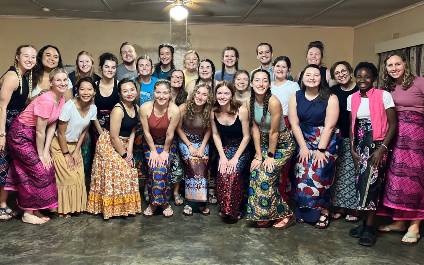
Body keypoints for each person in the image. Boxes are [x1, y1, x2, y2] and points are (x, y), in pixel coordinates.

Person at [5, 68, 67, 224]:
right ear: (51, 82)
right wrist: (41, 156)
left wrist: (46, 151)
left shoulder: (61, 99)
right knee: (38, 170)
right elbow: (40, 131)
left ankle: (35, 209)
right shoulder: (46, 99)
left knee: (47, 167)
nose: (62, 83)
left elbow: (52, 126)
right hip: (20, 135)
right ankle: (27, 213)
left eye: (65, 80)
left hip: (33, 135)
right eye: (58, 80)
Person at [347, 62, 396, 246]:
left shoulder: (384, 96)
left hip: (377, 145)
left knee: (372, 185)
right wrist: (352, 148)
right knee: (361, 184)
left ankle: (369, 228)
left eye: (367, 76)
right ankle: (363, 223)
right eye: (359, 76)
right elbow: (352, 125)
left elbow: (393, 125)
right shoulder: (351, 98)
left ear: (373, 78)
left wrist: (382, 148)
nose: (362, 80)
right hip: (359, 145)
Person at [378, 53, 424, 245]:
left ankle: (415, 226)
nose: (394, 68)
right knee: (396, 179)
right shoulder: (388, 87)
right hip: (395, 135)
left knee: (415, 180)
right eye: (390, 65)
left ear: (405, 64)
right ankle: (399, 222)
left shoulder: (420, 82)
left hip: (416, 137)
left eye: (398, 64)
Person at [289, 64, 339, 229]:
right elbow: (294, 124)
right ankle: (304, 212)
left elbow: (330, 126)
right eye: (308, 74)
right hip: (302, 138)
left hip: (325, 140)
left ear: (321, 78)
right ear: (302, 77)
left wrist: (321, 149)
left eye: (316, 75)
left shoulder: (330, 97)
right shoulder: (296, 96)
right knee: (301, 174)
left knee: (319, 173)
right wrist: (303, 147)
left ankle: (323, 211)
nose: (312, 77)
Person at [87, 78, 141, 219]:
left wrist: (129, 151)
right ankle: (111, 209)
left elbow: (133, 130)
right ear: (120, 94)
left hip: (124, 143)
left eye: (131, 89)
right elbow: (113, 137)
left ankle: (125, 207)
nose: (129, 93)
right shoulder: (118, 109)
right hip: (109, 144)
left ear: (136, 91)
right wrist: (124, 156)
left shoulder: (137, 108)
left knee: (131, 168)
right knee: (121, 169)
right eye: (125, 91)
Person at [247, 69, 295, 229]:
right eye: (257, 80)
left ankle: (286, 214)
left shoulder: (274, 102)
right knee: (255, 171)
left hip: (282, 144)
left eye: (264, 80)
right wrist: (258, 155)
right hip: (264, 144)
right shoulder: (249, 102)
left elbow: (274, 132)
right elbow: (254, 129)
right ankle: (264, 214)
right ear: (251, 83)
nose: (261, 84)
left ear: (269, 84)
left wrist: (269, 156)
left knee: (265, 176)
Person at [0, 45, 37, 220]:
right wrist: (1, 134)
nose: (30, 60)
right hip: (3, 126)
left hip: (12, 126)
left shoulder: (25, 77)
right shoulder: (13, 76)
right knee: (2, 165)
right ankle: (1, 206)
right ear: (17, 57)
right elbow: (2, 107)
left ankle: (3, 203)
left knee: (6, 166)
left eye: (33, 57)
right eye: (26, 56)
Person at [52, 77, 97, 217]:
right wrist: (66, 154)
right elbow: (60, 133)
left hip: (74, 146)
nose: (86, 92)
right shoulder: (69, 106)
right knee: (68, 177)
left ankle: (76, 207)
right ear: (77, 90)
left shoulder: (93, 108)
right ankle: (63, 209)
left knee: (79, 177)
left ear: (94, 92)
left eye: (89, 89)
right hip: (60, 145)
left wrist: (77, 151)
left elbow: (84, 131)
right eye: (82, 89)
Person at [140, 80, 180, 217]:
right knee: (154, 165)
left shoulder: (174, 110)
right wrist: (152, 151)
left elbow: (170, 134)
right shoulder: (145, 108)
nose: (161, 96)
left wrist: (164, 152)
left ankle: (161, 203)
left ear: (170, 94)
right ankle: (157, 203)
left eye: (165, 93)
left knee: (162, 166)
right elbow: (146, 132)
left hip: (167, 143)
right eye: (158, 92)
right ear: (154, 93)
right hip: (150, 142)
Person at [211, 81, 250, 222]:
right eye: (219, 93)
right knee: (222, 171)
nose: (222, 96)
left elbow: (247, 137)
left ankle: (234, 210)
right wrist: (222, 156)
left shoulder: (241, 110)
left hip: (241, 148)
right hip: (225, 147)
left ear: (232, 95)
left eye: (226, 93)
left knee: (233, 173)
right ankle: (225, 208)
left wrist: (235, 158)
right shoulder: (213, 111)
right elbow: (215, 135)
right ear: (215, 95)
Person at [329, 61, 359, 222]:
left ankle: (353, 208)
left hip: (356, 137)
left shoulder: (359, 88)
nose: (341, 74)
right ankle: (340, 206)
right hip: (337, 136)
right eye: (337, 73)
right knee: (339, 173)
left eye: (344, 71)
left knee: (353, 172)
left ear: (350, 71)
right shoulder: (333, 91)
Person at [177, 84, 213, 216]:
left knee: (202, 163)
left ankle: (201, 203)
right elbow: (178, 128)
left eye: (204, 95)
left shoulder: (209, 110)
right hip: (186, 141)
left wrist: (202, 147)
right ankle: (190, 203)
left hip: (202, 141)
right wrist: (190, 146)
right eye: (198, 93)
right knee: (193, 164)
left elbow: (209, 130)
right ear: (194, 94)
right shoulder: (184, 108)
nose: (200, 96)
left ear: (208, 98)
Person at [270, 56, 300, 201]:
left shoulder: (293, 86)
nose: (280, 69)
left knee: (284, 165)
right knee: (270, 162)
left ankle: (283, 198)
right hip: (268, 125)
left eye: (284, 67)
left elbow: (297, 108)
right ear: (273, 68)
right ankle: (271, 197)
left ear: (288, 70)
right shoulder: (268, 85)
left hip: (287, 124)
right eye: (277, 66)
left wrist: (292, 127)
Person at [169, 69, 187, 205]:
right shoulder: (163, 93)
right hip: (162, 132)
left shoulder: (185, 96)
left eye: (180, 77)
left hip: (179, 133)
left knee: (177, 165)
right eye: (174, 76)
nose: (176, 79)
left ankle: (176, 192)